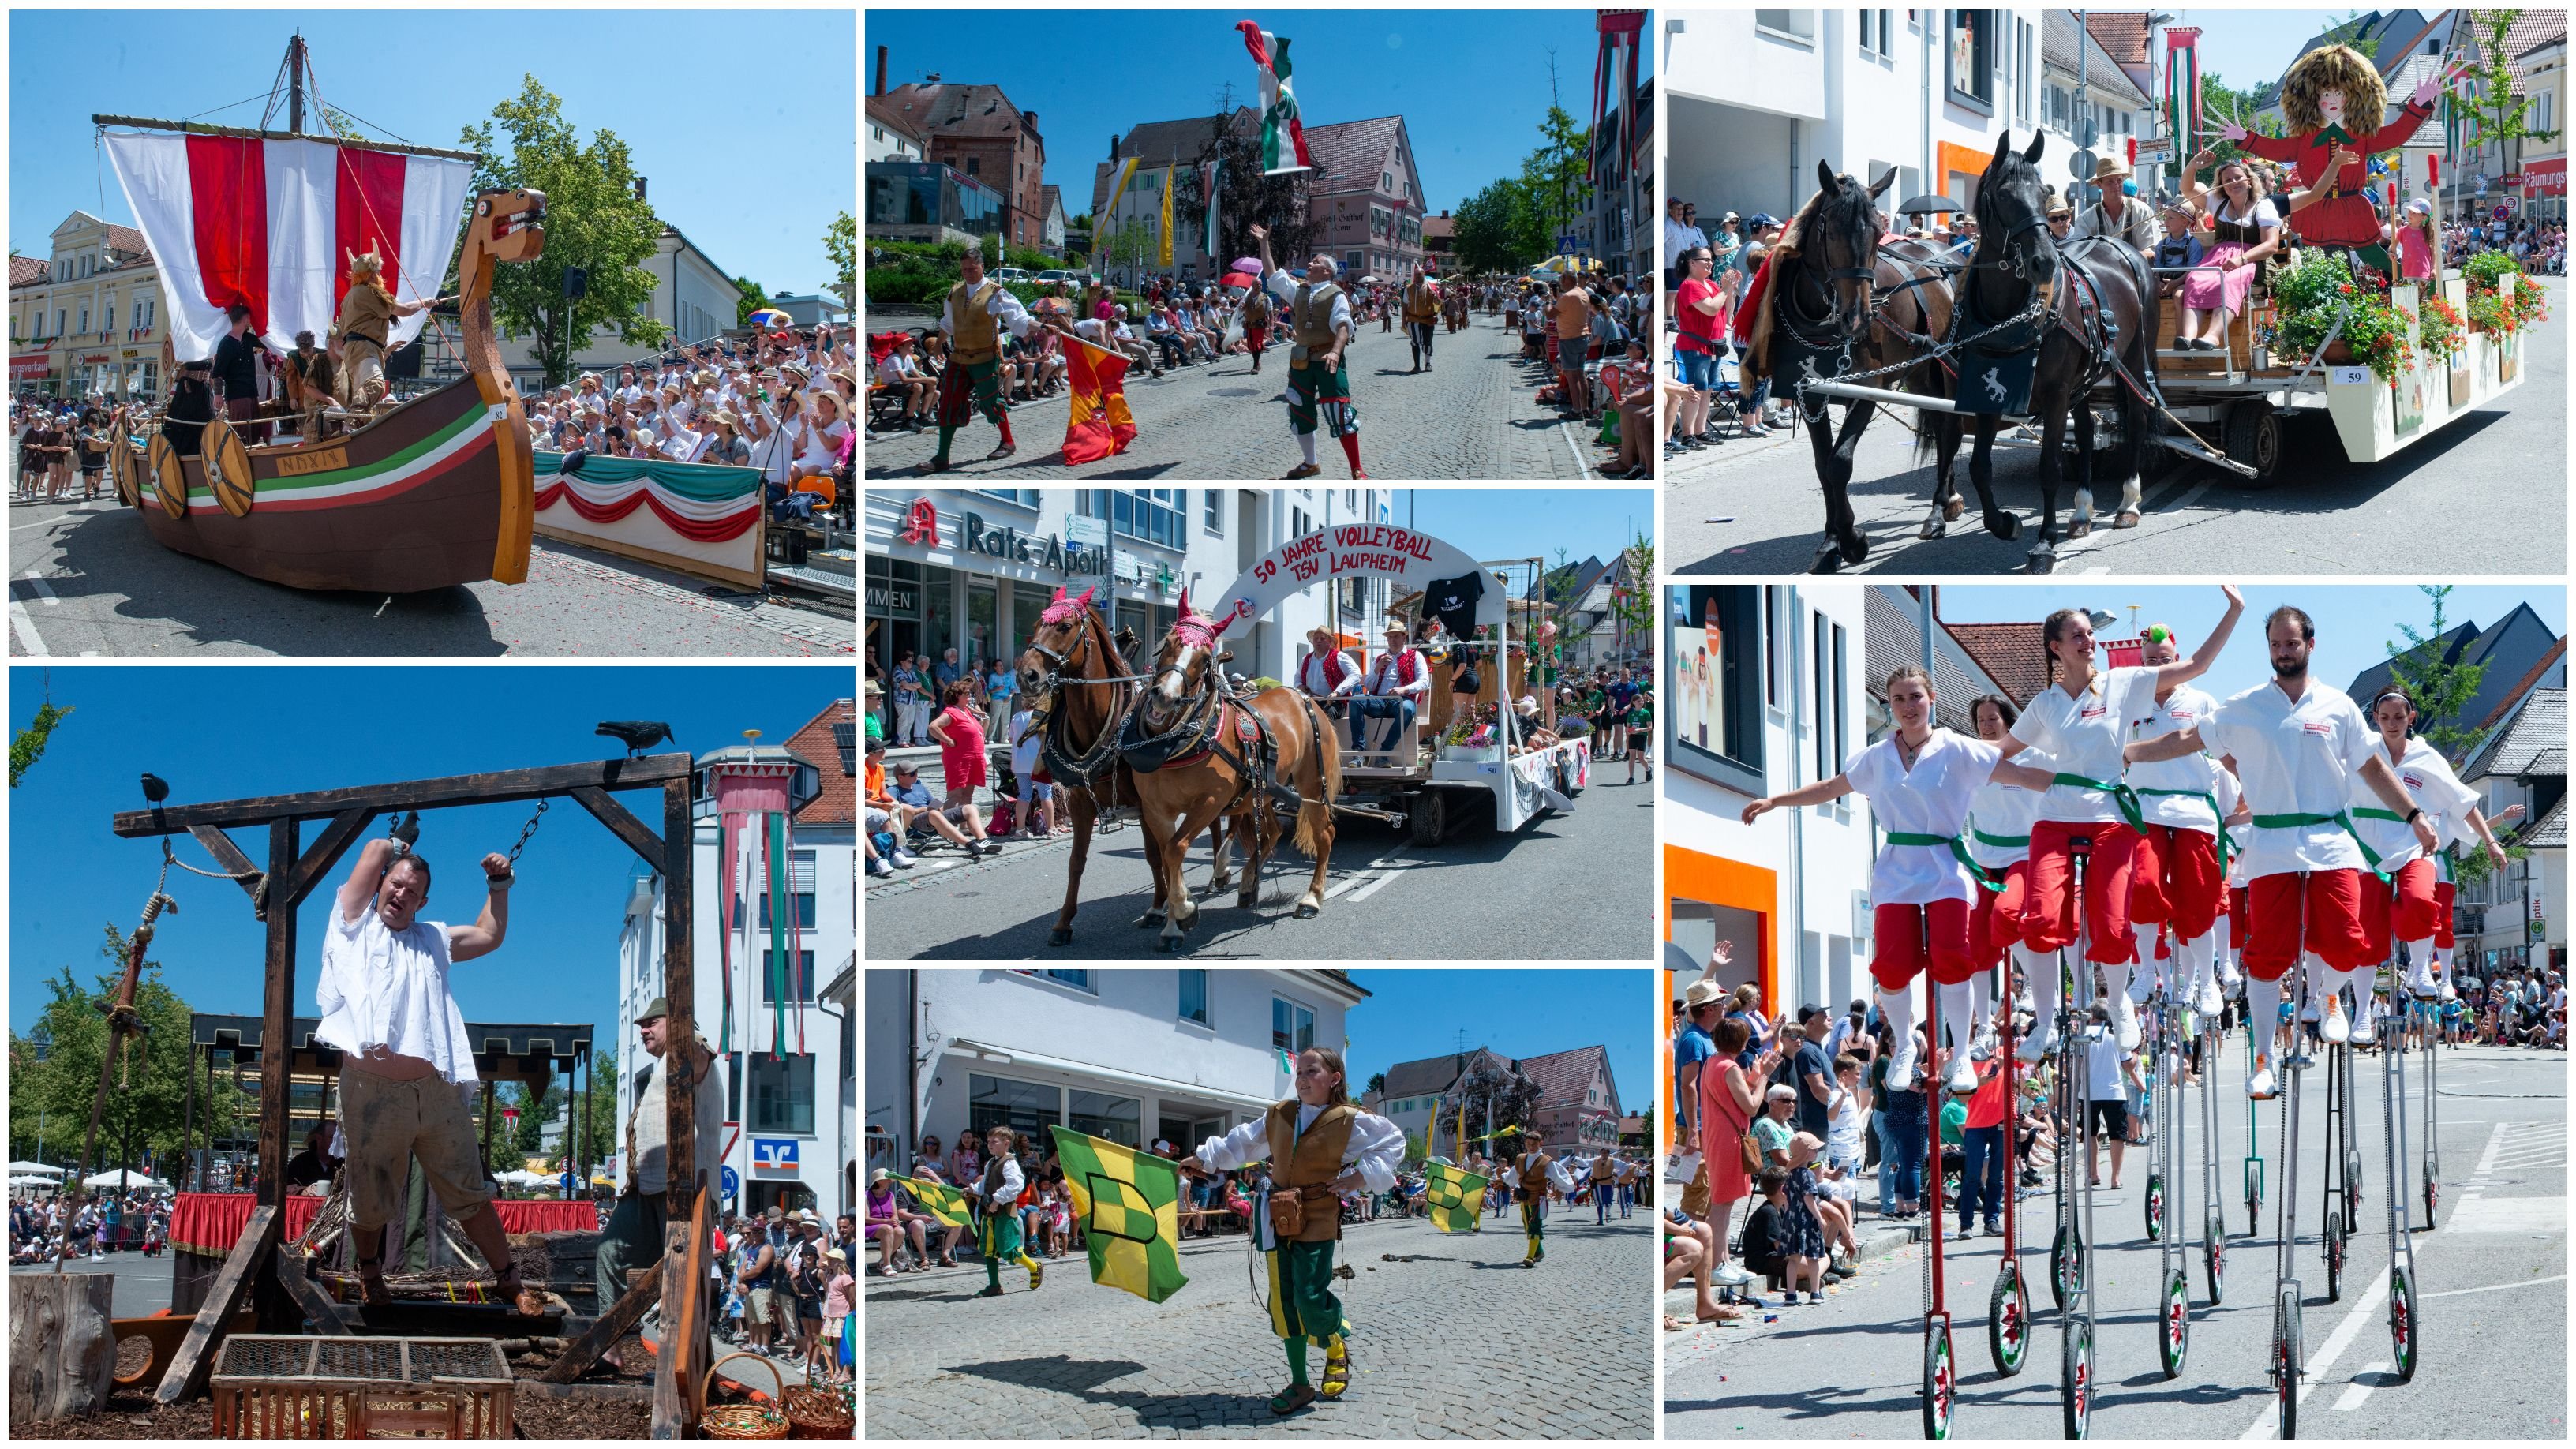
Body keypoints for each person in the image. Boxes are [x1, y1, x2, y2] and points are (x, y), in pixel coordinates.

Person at [2124, 605, 2443, 1097]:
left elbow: (2374, 769)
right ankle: (2262, 1057)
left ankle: (2331, 998)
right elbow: (2188, 739)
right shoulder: (2245, 705)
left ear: (2310, 645)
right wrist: (2130, 752)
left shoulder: (2337, 706)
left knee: (2344, 940)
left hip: (2330, 842)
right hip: (2272, 844)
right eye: (2275, 644)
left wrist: (2415, 816)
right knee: (2268, 954)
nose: (2283, 652)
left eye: (2292, 644)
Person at [1742, 664, 2057, 1090]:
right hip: (1896, 869)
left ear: (1932, 700)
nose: (1908, 707)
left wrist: (2094, 786)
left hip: (1945, 865)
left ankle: (1961, 1053)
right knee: (1890, 966)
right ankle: (1906, 1044)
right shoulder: (1877, 757)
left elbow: (2021, 776)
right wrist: (1776, 800)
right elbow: (1832, 787)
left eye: (1916, 697)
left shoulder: (1958, 749)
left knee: (1951, 958)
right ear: (1890, 705)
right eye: (1899, 699)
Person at [2001, 589, 2244, 1056]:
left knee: (2115, 926)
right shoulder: (2046, 704)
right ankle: (2046, 1022)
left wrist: (2233, 612)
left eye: (2092, 633)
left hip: (2113, 817)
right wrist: (1944, 757)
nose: (2088, 641)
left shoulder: (2121, 683)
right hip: (2057, 817)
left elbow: (2196, 666)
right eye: (2078, 635)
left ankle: (2121, 1005)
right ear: (2056, 646)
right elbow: (2002, 754)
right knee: (2040, 921)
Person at [316, 828, 547, 1316]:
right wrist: (399, 846)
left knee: (470, 1192)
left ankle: (510, 1281)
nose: (401, 893)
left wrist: (499, 887)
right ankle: (371, 1274)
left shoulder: (432, 939)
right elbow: (376, 848)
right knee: (370, 1198)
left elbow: (489, 934)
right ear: (380, 882)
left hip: (436, 1091)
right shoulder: (352, 921)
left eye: (412, 891)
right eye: (395, 884)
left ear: (423, 901)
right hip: (372, 1091)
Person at [1181, 1046, 1402, 1416]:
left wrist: (1360, 1177)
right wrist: (1203, 1158)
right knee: (1283, 1304)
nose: (1301, 1079)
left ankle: (1335, 1339)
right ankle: (1300, 1384)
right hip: (1276, 1215)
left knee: (1311, 1298)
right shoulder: (1279, 1114)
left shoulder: (1348, 1119)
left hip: (1317, 1214)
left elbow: (1392, 1143)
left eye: (1311, 1072)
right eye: (1299, 1073)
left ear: (1334, 1079)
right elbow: (1242, 1143)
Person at [2226, 43, 2439, 276]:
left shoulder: (2360, 134)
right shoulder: (2306, 136)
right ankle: (2311, 298)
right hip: (2315, 206)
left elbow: (2396, 134)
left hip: (2351, 205)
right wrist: (2245, 138)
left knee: (2370, 252)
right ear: (2313, 98)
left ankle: (2409, 280)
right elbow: (2276, 149)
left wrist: (2418, 105)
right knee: (2313, 258)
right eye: (2327, 93)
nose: (2334, 99)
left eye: (2340, 93)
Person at [595, 996, 725, 1365]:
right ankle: (610, 1344)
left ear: (679, 1021)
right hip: (646, 1190)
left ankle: (684, 1363)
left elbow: (701, 1056)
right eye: (641, 1024)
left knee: (680, 1283)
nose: (643, 1030)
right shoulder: (661, 1067)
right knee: (609, 1254)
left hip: (684, 1192)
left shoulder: (691, 1050)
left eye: (652, 1022)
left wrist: (689, 1035)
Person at [1252, 223, 1367, 481]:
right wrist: (1264, 243)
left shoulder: (1337, 295)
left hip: (1328, 360)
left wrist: (1336, 352)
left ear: (1326, 271)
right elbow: (1273, 276)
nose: (1310, 264)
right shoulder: (1300, 291)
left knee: (1339, 411)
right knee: (1300, 410)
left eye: (1315, 262)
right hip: (1302, 360)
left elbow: (1343, 326)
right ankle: (1311, 463)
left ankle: (1356, 469)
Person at [929, 247, 1046, 471]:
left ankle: (1008, 442)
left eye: (973, 269)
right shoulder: (955, 293)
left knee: (990, 403)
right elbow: (948, 324)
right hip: (958, 358)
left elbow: (1018, 318)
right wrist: (937, 346)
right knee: (948, 403)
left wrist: (1041, 326)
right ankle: (941, 458)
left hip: (985, 358)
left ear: (982, 267)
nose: (968, 273)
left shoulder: (995, 292)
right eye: (964, 269)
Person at [2174, 152, 2285, 352]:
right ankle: (2189, 338)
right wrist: (2192, 166)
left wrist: (2240, 259)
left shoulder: (2263, 206)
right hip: (2217, 259)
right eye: (2227, 180)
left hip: (2252, 261)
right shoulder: (2218, 202)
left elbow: (2271, 245)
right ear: (2222, 185)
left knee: (2230, 281)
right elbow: (2186, 188)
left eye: (2237, 178)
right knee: (2195, 278)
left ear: (2249, 181)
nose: (2233, 182)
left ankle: (2213, 336)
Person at [335, 248, 450, 410]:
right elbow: (404, 309)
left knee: (364, 395)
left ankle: (353, 427)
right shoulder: (369, 292)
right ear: (373, 274)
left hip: (355, 351)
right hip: (364, 349)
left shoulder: (350, 295)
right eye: (377, 273)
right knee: (375, 385)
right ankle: (351, 423)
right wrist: (424, 302)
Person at [1350, 623, 1431, 757]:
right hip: (1379, 701)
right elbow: (1369, 686)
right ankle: (1359, 752)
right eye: (1390, 637)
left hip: (1401, 700)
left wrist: (1403, 690)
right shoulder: (1379, 659)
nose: (1393, 640)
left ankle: (1385, 751)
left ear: (1404, 638)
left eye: (1396, 637)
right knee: (1355, 700)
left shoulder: (1415, 656)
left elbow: (1424, 682)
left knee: (1407, 709)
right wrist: (1378, 668)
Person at [1502, 1128, 1574, 1267]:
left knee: (1535, 1225)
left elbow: (1559, 1176)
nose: (1531, 1147)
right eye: (1528, 1144)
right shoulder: (1521, 1158)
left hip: (1538, 1198)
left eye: (1534, 1144)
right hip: (1523, 1196)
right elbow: (1512, 1175)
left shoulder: (1546, 1161)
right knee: (1528, 1226)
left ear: (1540, 1144)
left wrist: (1561, 1190)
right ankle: (1539, 1251)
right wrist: (1502, 1180)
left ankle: (1530, 1256)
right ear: (1525, 1144)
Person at [2071, 155, 2162, 262]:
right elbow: (2080, 256)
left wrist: (2122, 259)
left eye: (2119, 180)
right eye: (2110, 181)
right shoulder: (2086, 220)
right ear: (2100, 185)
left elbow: (2151, 252)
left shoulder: (2142, 212)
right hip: (2100, 277)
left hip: (2136, 277)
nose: (2116, 185)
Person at [209, 304, 268, 444]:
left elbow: (268, 344)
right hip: (237, 394)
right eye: (249, 318)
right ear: (245, 319)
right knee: (242, 429)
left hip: (251, 392)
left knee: (255, 427)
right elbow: (217, 372)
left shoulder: (247, 338)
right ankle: (239, 458)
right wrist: (218, 394)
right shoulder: (227, 343)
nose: (250, 321)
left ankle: (252, 457)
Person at [283, 330, 339, 440]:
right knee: (306, 428)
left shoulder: (322, 355)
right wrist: (292, 398)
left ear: (313, 346)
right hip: (302, 401)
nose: (306, 354)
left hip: (320, 398)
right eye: (303, 352)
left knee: (325, 428)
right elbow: (291, 379)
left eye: (308, 351)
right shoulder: (294, 358)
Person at [1402, 264, 1441, 373]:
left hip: (1428, 319)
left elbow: (1439, 304)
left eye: (1420, 274)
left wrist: (1435, 297)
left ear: (1424, 275)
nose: (1418, 277)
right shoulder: (1409, 288)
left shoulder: (1432, 287)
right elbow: (1405, 304)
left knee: (1428, 342)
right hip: (1413, 319)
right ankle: (1417, 366)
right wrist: (1403, 320)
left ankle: (1428, 363)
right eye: (1416, 275)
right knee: (1415, 342)